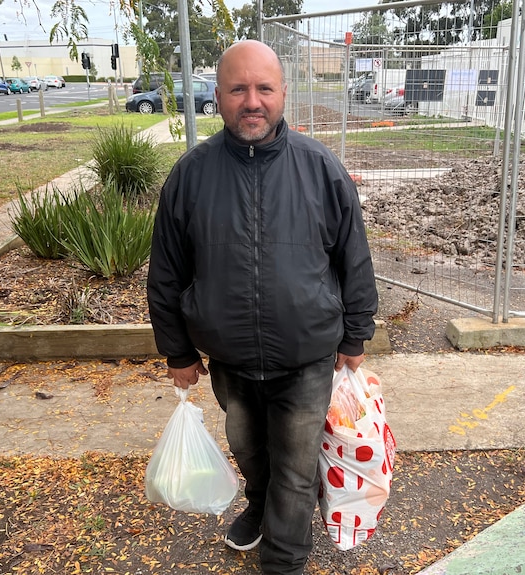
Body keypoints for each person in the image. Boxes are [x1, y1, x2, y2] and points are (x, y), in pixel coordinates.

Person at [146, 39, 378, 575]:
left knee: (296, 470)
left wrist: (355, 335)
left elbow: (354, 259)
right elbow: (166, 273)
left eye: (264, 88)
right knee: (252, 454)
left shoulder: (322, 169)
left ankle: (285, 560)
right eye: (238, 89)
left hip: (307, 358)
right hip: (231, 361)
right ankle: (259, 505)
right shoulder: (190, 176)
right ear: (219, 97)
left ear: (283, 94)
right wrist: (177, 352)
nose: (252, 101)